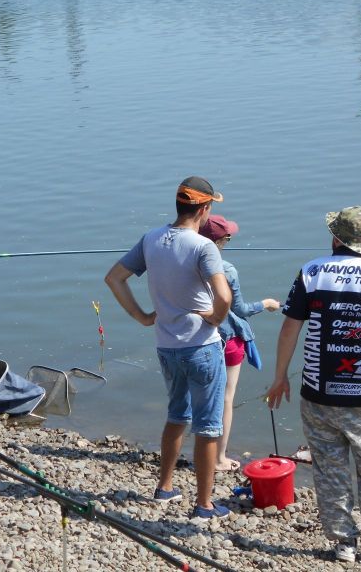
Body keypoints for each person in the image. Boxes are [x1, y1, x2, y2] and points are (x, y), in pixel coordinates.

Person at [266, 206, 361, 564]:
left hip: (318, 391)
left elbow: (289, 328)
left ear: (335, 238)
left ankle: (343, 542)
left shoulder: (311, 272)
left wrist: (280, 376)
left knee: (329, 467)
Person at [104, 176, 232, 521]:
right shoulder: (203, 246)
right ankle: (204, 505)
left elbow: (114, 278)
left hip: (166, 346)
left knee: (177, 415)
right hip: (202, 347)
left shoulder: (151, 239)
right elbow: (223, 296)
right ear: (204, 209)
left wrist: (142, 317)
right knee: (208, 426)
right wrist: (215, 318)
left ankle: (165, 487)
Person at [198, 215, 280, 472]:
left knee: (200, 397)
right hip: (227, 340)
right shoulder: (227, 270)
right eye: (227, 238)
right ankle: (218, 458)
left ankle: (200, 452)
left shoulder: (183, 265)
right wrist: (266, 304)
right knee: (226, 398)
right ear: (218, 242)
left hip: (196, 339)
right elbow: (241, 310)